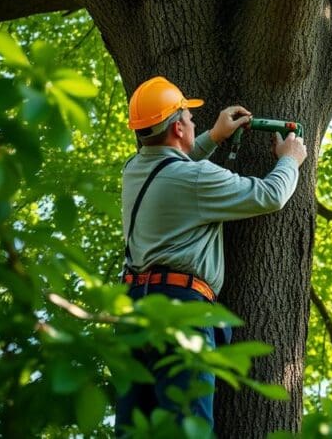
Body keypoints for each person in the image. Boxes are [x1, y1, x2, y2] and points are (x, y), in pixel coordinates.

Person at [114, 76, 306, 434]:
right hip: (180, 311)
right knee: (189, 426)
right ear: (176, 128)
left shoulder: (134, 170)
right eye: (188, 117)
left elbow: (172, 167)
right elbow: (269, 196)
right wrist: (290, 161)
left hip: (133, 314)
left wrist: (213, 137)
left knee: (135, 430)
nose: (193, 121)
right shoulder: (196, 178)